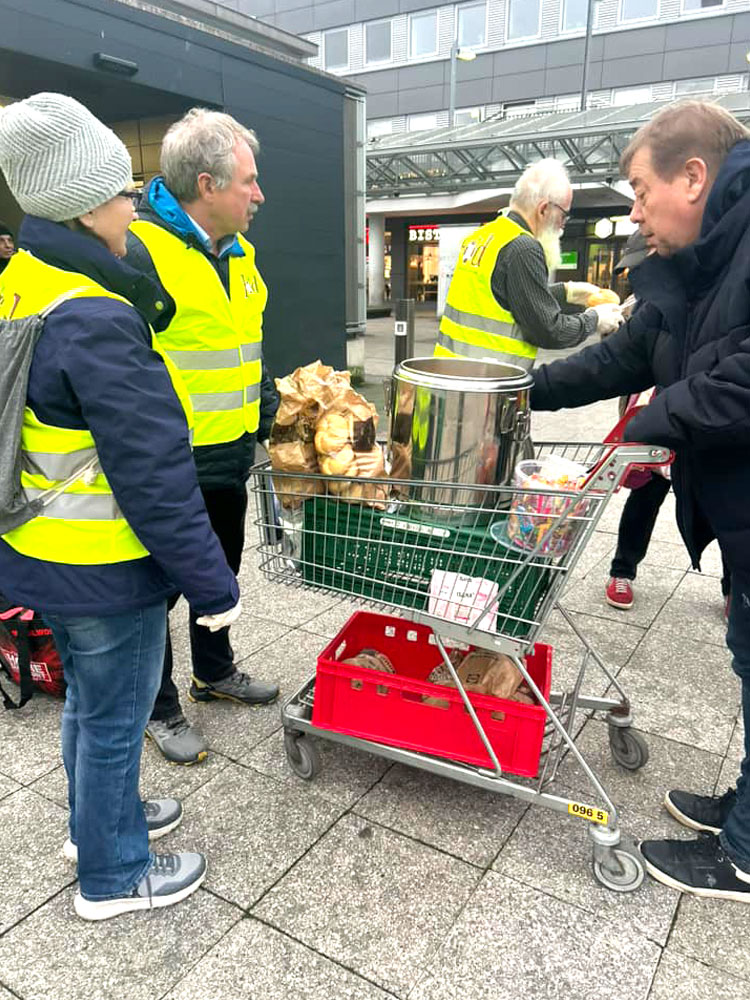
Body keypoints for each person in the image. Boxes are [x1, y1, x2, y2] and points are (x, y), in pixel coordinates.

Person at [0, 93, 241, 919]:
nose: (133, 207)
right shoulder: (96, 316)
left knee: (91, 710)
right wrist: (213, 586)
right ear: (86, 202)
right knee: (113, 719)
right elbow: (155, 474)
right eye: (123, 193)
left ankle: (95, 826)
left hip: (41, 552)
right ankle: (113, 875)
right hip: (106, 567)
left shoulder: (23, 284)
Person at [530, 100, 750, 900]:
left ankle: (746, 852)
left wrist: (650, 424)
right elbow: (628, 350)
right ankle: (747, 811)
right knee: (748, 653)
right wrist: (527, 390)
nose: (632, 210)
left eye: (636, 189)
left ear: (693, 177)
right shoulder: (698, 264)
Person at [125, 108, 279, 766]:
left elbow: (244, 348)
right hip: (168, 465)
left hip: (228, 456)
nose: (259, 194)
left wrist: (272, 414)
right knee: (155, 588)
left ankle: (213, 673)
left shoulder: (238, 255)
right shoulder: (139, 254)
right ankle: (157, 707)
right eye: (249, 180)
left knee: (220, 571)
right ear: (209, 184)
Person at [435, 158, 623, 369]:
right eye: (564, 215)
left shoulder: (484, 236)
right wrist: (594, 319)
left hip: (452, 374)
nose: (562, 224)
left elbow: (505, 299)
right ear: (543, 209)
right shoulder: (523, 248)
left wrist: (567, 292)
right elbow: (549, 331)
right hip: (487, 383)